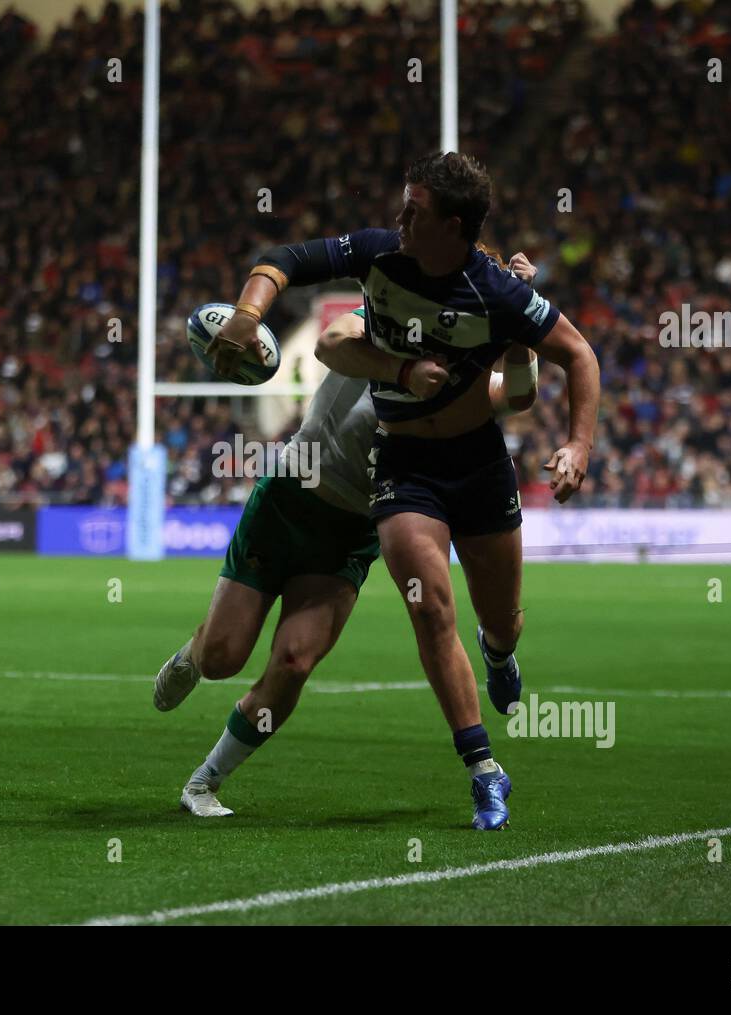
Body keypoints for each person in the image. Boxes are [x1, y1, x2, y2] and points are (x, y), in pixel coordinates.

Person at [206, 152, 601, 829]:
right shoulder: (380, 257)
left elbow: (578, 356)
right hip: (404, 465)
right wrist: (248, 312)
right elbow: (286, 259)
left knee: (501, 618)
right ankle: (483, 768)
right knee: (429, 606)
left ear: (454, 227)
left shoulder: (497, 295)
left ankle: (500, 652)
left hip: (477, 466)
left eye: (414, 212)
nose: (400, 219)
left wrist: (579, 442)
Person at [155, 252, 541, 819]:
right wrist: (403, 371)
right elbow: (332, 338)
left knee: (293, 663)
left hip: (355, 529)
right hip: (288, 498)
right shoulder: (380, 320)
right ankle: (196, 650)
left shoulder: (462, 376)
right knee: (222, 657)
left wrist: (520, 332)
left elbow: (520, 393)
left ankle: (203, 783)